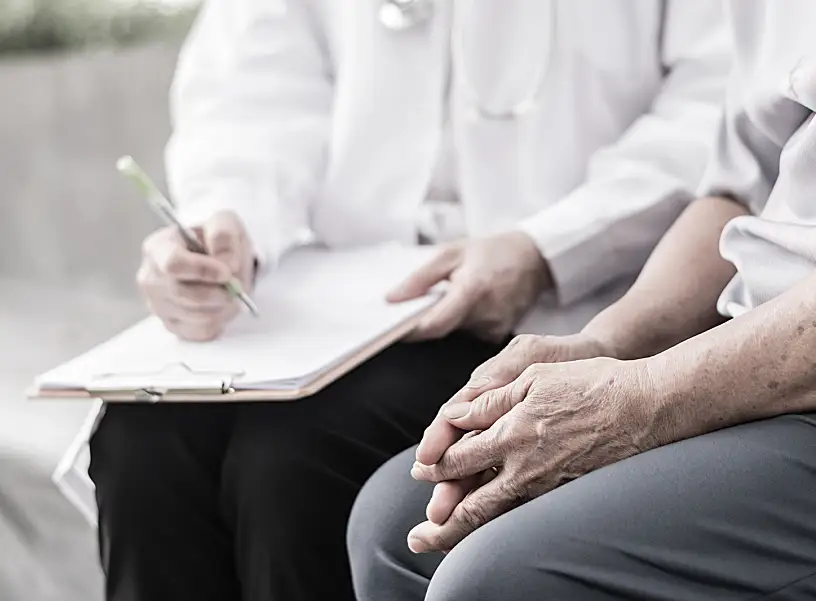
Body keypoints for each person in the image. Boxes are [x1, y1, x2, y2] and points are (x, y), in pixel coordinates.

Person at [70, 1, 731, 600]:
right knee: (143, 437)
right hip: (335, 292)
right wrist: (230, 217)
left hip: (570, 296)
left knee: (296, 458)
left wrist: (549, 245)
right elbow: (254, 85)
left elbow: (717, 101)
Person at [346, 0, 816, 599]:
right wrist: (608, 344)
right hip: (758, 345)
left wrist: (648, 398)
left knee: (503, 578)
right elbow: (741, 193)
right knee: (394, 522)